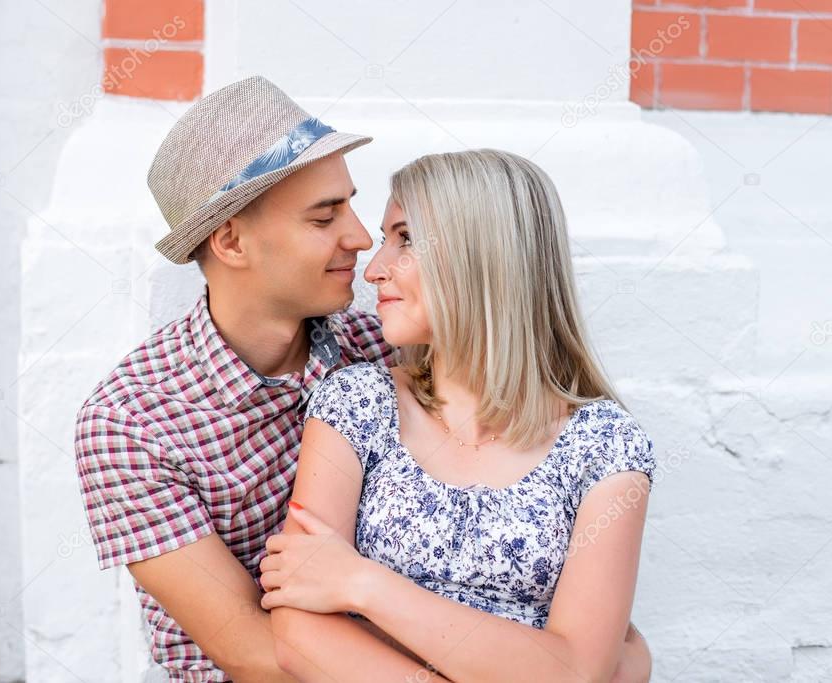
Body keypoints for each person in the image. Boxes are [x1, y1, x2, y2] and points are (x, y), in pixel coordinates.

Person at [74, 76, 652, 682]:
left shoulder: (384, 346)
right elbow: (255, 650)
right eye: (325, 218)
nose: (359, 239)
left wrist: (588, 662)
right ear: (231, 242)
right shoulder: (129, 423)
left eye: (351, 206)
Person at [260, 149, 657, 683]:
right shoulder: (357, 405)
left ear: (483, 255)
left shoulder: (605, 446)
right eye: (385, 239)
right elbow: (297, 633)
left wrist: (362, 583)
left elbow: (576, 671)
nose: (374, 270)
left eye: (406, 238)